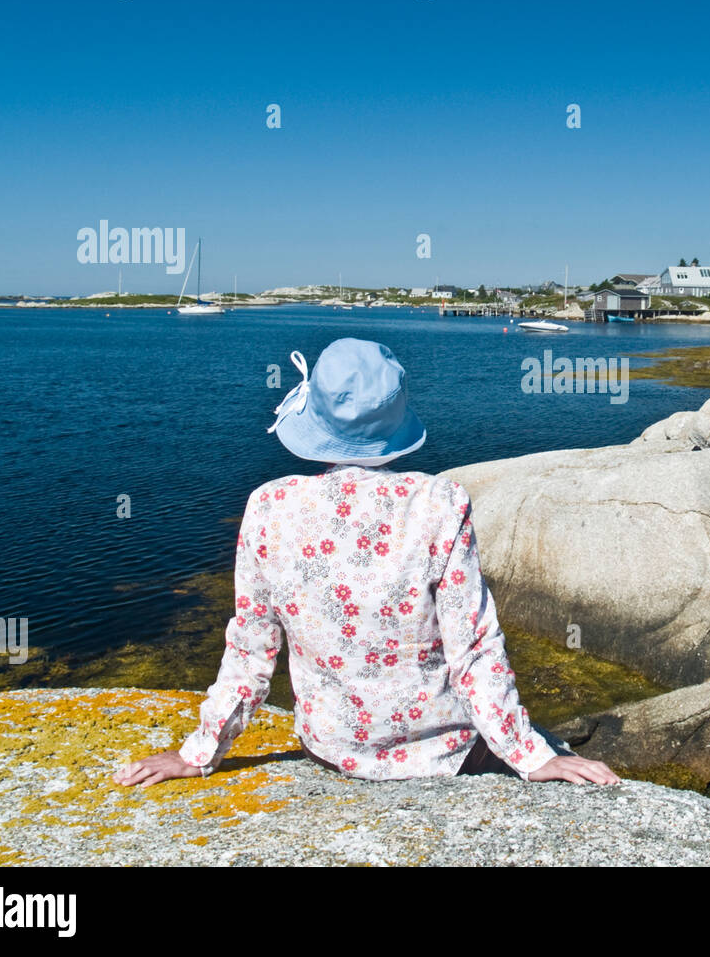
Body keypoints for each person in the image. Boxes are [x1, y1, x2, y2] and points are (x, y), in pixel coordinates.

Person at [114, 338, 618, 789]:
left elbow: (251, 647)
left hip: (330, 751)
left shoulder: (268, 505)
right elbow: (474, 647)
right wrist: (529, 756)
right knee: (555, 748)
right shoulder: (437, 501)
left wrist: (199, 753)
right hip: (444, 754)